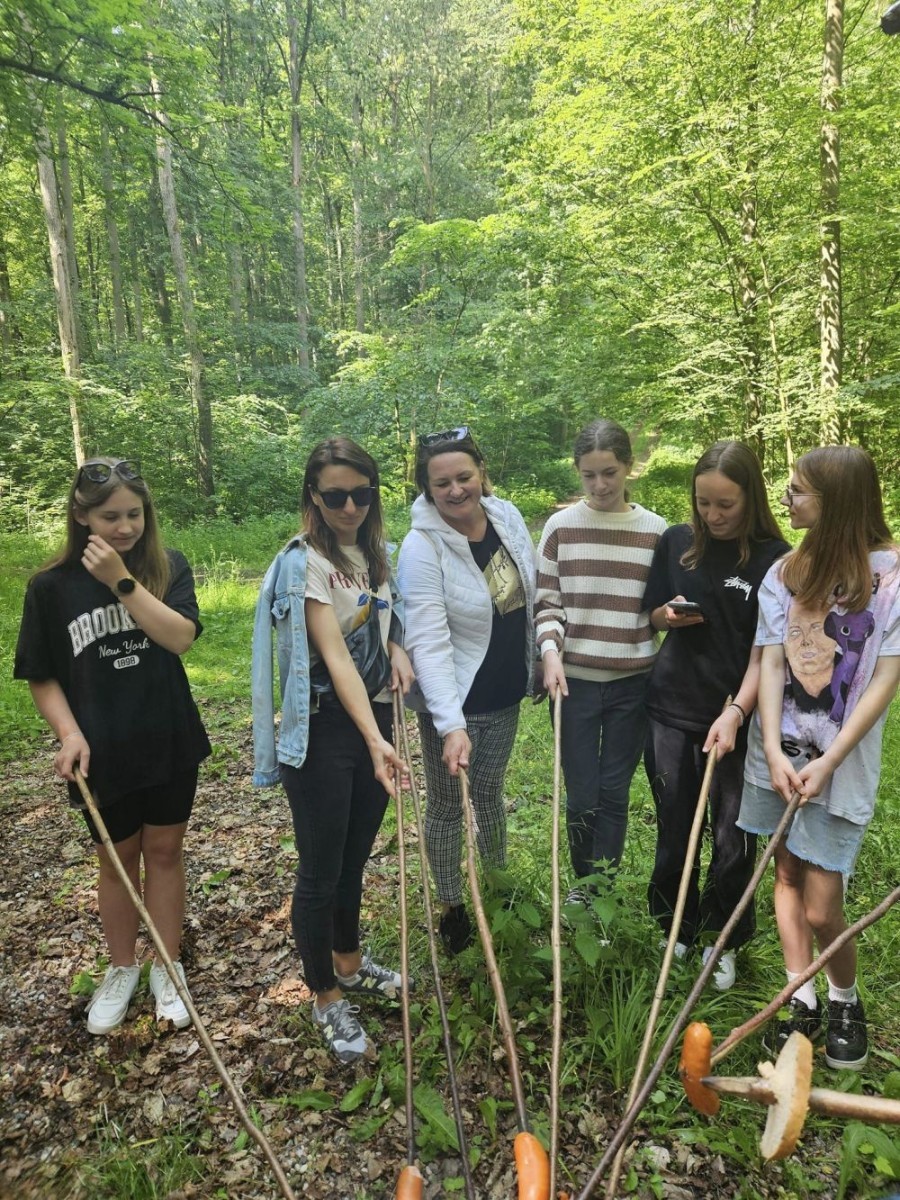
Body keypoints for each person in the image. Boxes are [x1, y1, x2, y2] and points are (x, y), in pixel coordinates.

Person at [14, 457, 211, 1034]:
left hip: (167, 734)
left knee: (167, 852)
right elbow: (42, 675)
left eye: (134, 514)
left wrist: (121, 581)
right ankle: (122, 966)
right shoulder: (49, 587)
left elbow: (179, 638)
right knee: (116, 858)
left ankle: (167, 965)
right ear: (81, 516)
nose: (125, 528)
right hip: (101, 748)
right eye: (110, 517)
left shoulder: (166, 567)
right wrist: (69, 733)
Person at [252, 437, 413, 1064]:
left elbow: (378, 621)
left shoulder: (373, 554)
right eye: (336, 495)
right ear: (313, 498)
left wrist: (397, 645)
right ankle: (323, 995)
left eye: (361, 494)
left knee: (354, 858)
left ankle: (348, 963)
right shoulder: (303, 562)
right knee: (320, 870)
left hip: (372, 721)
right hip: (322, 731)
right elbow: (335, 654)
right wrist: (375, 741)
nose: (350, 506)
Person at [738, 446, 900, 1067]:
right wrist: (776, 751)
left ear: (837, 505)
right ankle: (798, 994)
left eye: (799, 490)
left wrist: (826, 762)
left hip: (840, 764)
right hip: (780, 756)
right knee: (783, 874)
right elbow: (773, 659)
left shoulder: (888, 581)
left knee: (822, 902)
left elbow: (884, 680)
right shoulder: (784, 573)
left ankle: (843, 994)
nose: (786, 497)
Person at [642, 441, 789, 989]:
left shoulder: (777, 558)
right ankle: (672, 926)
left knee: (733, 835)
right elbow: (652, 612)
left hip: (739, 716)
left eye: (726, 504)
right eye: (704, 503)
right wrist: (667, 616)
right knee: (675, 824)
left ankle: (721, 937)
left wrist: (736, 710)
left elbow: (769, 651)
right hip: (671, 707)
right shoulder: (677, 543)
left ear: (751, 496)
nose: (714, 515)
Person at [397, 427, 538, 955]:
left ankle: (497, 891)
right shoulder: (421, 545)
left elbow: (533, 589)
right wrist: (449, 723)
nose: (456, 490)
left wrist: (544, 655)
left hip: (504, 693)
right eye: (442, 483)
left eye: (464, 477)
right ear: (426, 488)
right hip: (452, 700)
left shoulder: (506, 517)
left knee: (489, 795)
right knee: (447, 806)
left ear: (480, 472)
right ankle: (453, 905)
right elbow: (427, 640)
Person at [536, 419, 666, 902]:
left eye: (609, 472)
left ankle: (603, 890)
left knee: (614, 792)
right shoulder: (560, 528)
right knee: (583, 794)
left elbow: (658, 609)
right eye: (589, 475)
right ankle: (581, 885)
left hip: (634, 682)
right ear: (578, 472)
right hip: (572, 683)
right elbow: (547, 603)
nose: (600, 485)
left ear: (630, 467)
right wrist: (550, 653)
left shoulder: (655, 532)